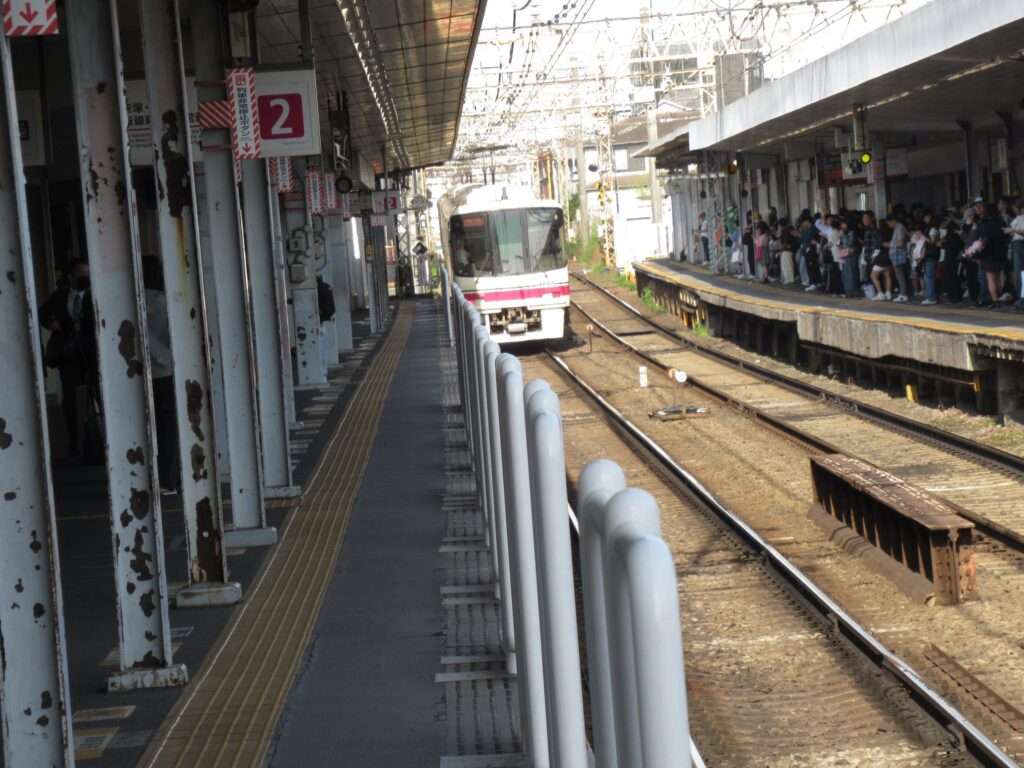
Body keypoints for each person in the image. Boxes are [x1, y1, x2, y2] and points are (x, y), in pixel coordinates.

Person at [39, 258, 98, 460]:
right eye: (80, 274)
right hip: (69, 355)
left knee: (98, 395)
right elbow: (42, 313)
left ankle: (99, 439)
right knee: (70, 401)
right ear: (71, 276)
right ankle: (75, 443)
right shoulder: (60, 296)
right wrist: (52, 323)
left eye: (87, 274)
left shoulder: (95, 294)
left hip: (93, 355)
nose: (84, 278)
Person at [142, 255, 178, 494]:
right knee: (167, 427)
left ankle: (143, 477)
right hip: (165, 372)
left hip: (135, 375)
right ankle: (168, 479)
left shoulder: (129, 298)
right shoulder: (166, 301)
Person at [864, 212, 891, 300]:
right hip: (889, 256)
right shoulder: (890, 232)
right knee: (887, 275)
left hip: (880, 257)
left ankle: (880, 293)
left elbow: (877, 247)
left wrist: (873, 257)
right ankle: (888, 293)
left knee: (873, 276)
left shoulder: (879, 233)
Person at [884, 213, 910, 302]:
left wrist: (889, 244)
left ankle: (903, 294)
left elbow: (900, 243)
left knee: (900, 274)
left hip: (899, 255)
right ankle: (902, 293)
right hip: (897, 255)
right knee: (899, 274)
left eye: (889, 223)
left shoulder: (899, 228)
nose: (888, 225)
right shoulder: (898, 227)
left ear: (893, 221)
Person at [1004, 199, 1024, 307]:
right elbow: (1012, 231)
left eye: (1016, 208)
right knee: (1018, 273)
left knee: (1021, 272)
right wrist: (1010, 231)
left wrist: (1013, 231)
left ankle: (1022, 299)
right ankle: (1020, 297)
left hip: (1020, 244)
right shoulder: (1017, 218)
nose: (1014, 210)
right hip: (1016, 244)